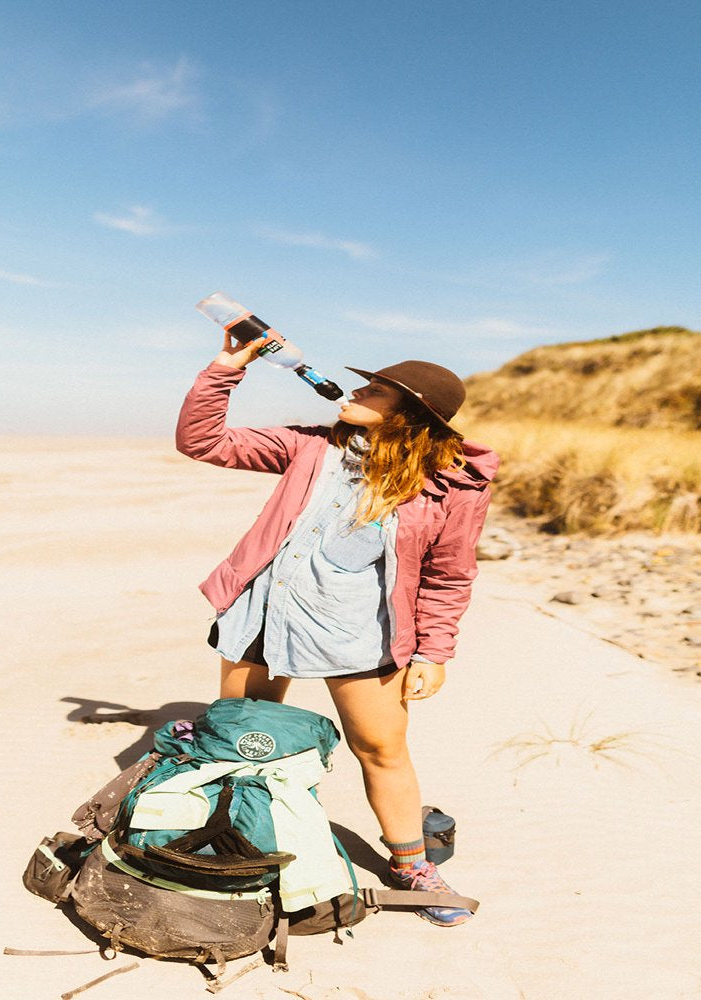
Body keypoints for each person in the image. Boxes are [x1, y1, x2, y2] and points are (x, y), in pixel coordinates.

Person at [175, 331, 499, 926]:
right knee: (244, 741)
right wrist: (229, 364)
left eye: (375, 389)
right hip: (262, 616)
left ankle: (412, 867)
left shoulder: (449, 485)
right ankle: (237, 851)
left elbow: (449, 575)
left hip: (358, 632)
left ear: (410, 414)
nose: (356, 390)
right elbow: (201, 440)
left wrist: (433, 651)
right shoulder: (310, 447)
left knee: (380, 748)